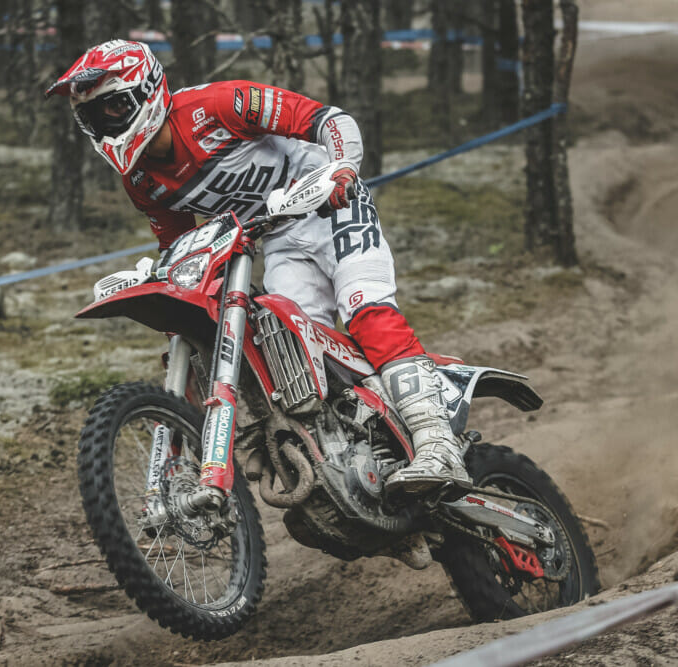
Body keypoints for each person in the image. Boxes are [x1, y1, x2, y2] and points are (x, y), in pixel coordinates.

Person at [46, 40, 469, 495]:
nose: (105, 123)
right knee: (298, 355)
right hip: (278, 237)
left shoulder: (216, 106)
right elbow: (177, 247)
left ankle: (437, 443)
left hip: (332, 204)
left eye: (113, 107)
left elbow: (329, 120)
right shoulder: (141, 179)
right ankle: (361, 451)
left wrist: (342, 169)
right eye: (92, 116)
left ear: (146, 90)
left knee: (364, 305)